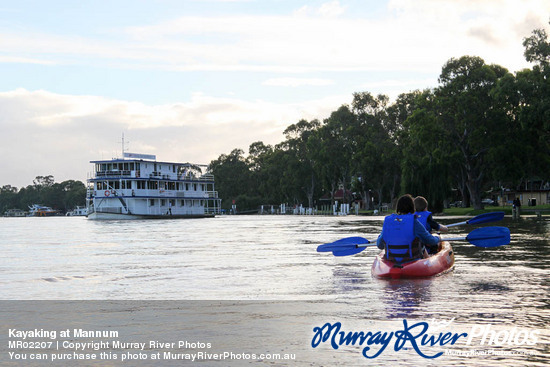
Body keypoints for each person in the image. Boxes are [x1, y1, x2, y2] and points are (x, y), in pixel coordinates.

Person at [376, 194, 441, 264]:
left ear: (398, 208)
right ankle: (428, 259)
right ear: (412, 207)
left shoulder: (388, 222)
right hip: (411, 261)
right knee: (420, 241)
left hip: (391, 262)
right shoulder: (414, 222)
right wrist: (438, 238)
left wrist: (380, 236)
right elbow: (430, 240)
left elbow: (380, 245)